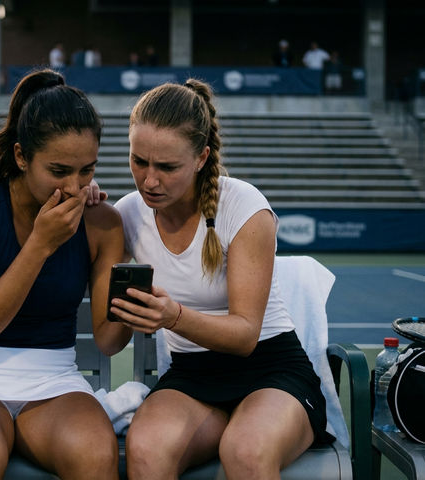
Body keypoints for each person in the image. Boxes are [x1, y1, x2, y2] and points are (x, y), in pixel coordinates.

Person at [108, 79, 335, 479]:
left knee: (245, 451)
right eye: (138, 161)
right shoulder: (127, 214)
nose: (149, 180)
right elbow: (110, 333)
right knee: (144, 451)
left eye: (167, 167)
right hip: (192, 376)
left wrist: (172, 316)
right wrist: (87, 201)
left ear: (201, 158)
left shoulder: (244, 206)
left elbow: (246, 335)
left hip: (272, 371)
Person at [0, 69, 131, 480]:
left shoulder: (103, 222)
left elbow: (107, 340)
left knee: (97, 458)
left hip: (53, 377)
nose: (74, 187)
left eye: (87, 170)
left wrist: (131, 307)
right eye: (59, 170)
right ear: (20, 156)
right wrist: (40, 245)